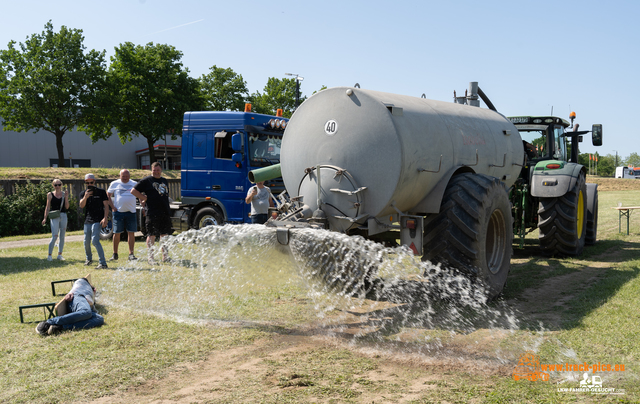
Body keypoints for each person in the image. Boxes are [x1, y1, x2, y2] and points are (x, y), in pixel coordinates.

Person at [131, 162, 172, 264]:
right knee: (152, 235)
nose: (156, 172)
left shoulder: (164, 180)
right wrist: (144, 198)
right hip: (153, 212)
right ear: (151, 170)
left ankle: (165, 257)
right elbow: (133, 191)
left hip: (165, 211)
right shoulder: (147, 180)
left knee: (164, 235)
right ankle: (151, 258)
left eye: (158, 170)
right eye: (154, 170)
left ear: (161, 170)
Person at [35, 277, 104, 336]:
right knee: (87, 312)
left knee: (99, 319)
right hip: (78, 298)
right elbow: (78, 284)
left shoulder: (87, 289)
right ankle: (49, 322)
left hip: (81, 304)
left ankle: (60, 327)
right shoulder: (83, 282)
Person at [79, 174, 110, 269]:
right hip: (88, 220)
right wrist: (85, 197)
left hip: (98, 219)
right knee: (86, 241)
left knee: (95, 240)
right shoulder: (83, 193)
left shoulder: (101, 192)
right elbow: (81, 205)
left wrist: (105, 218)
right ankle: (89, 258)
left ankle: (103, 263)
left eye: (91, 182)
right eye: (87, 182)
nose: (89, 184)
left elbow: (106, 206)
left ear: (94, 182)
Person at [107, 169, 138, 261]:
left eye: (127, 176)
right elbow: (108, 195)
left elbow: (139, 194)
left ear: (129, 176)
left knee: (131, 232)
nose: (125, 178)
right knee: (116, 233)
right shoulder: (114, 183)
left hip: (131, 212)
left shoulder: (134, 183)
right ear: (120, 176)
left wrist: (143, 205)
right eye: (123, 176)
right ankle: (115, 254)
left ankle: (131, 254)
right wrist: (112, 206)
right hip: (118, 212)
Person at [42, 179, 70, 261]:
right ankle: (49, 255)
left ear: (61, 185)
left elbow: (67, 207)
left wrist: (66, 197)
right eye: (55, 185)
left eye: (59, 184)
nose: (57, 186)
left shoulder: (64, 194)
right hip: (54, 216)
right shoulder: (50, 194)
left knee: (62, 236)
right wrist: (45, 218)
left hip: (63, 215)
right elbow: (47, 207)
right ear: (53, 186)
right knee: (54, 236)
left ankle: (59, 255)